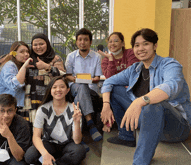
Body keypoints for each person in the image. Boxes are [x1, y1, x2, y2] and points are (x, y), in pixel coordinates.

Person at [100, 28, 191, 165]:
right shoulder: (134, 69)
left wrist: (140, 101)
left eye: (146, 44)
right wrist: (106, 105)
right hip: (148, 123)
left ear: (155, 45)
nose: (140, 48)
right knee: (115, 89)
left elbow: (172, 85)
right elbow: (108, 81)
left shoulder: (169, 64)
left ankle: (140, 162)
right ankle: (126, 136)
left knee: (153, 103)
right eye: (137, 45)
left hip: (176, 128)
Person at [0, 33, 65, 124]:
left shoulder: (55, 59)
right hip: (26, 103)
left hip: (47, 100)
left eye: (41, 44)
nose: (38, 47)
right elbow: (11, 55)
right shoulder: (27, 60)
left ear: (47, 44)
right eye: (35, 45)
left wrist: (47, 67)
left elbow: (63, 77)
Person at [24, 76, 86, 165]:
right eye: (54, 87)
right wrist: (45, 154)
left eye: (62, 87)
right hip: (49, 144)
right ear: (50, 90)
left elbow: (77, 141)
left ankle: (55, 163)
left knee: (79, 151)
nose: (58, 90)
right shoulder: (43, 109)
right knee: (30, 156)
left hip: (67, 145)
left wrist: (76, 122)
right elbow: (36, 136)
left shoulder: (74, 110)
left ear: (68, 90)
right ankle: (49, 160)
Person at [65, 28, 103, 142]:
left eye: (86, 40)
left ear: (90, 42)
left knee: (81, 91)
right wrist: (79, 80)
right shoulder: (71, 56)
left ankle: (77, 138)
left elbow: (97, 78)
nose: (82, 42)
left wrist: (87, 81)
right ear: (76, 42)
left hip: (91, 90)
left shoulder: (97, 57)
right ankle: (90, 123)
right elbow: (68, 76)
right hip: (74, 87)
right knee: (81, 86)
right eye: (80, 40)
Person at [0, 41, 32, 118]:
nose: (26, 54)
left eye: (27, 51)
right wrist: (24, 66)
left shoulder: (17, 65)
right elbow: (13, 85)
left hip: (8, 105)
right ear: (14, 54)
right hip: (1, 106)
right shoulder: (9, 65)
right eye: (22, 52)